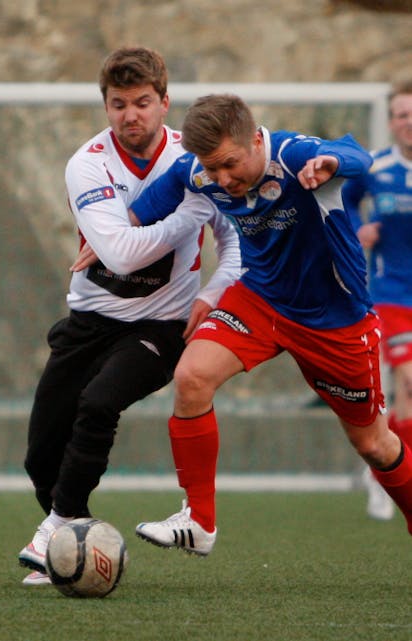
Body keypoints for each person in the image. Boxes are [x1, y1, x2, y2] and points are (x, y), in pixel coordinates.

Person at [130, 94, 412, 554]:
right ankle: (199, 522)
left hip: (334, 321)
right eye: (211, 167)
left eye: (230, 164)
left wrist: (330, 160)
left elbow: (357, 156)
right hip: (260, 300)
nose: (222, 179)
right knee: (192, 377)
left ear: (252, 139)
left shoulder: (292, 155)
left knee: (374, 442)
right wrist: (104, 241)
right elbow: (147, 205)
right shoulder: (199, 170)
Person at [16, 48, 241, 585]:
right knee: (41, 455)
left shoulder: (197, 158)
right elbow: (119, 254)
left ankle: (57, 531)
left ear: (165, 103)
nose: (131, 115)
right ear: (106, 107)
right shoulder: (88, 163)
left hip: (163, 326)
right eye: (119, 105)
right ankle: (76, 535)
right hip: (91, 319)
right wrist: (187, 212)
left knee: (99, 402)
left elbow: (236, 245)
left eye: (143, 102)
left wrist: (211, 293)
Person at [344, 80, 412, 521]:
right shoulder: (376, 167)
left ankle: (386, 473)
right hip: (390, 294)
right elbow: (344, 203)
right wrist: (355, 231)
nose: (408, 123)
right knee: (408, 380)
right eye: (401, 115)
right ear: (391, 123)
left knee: (407, 399)